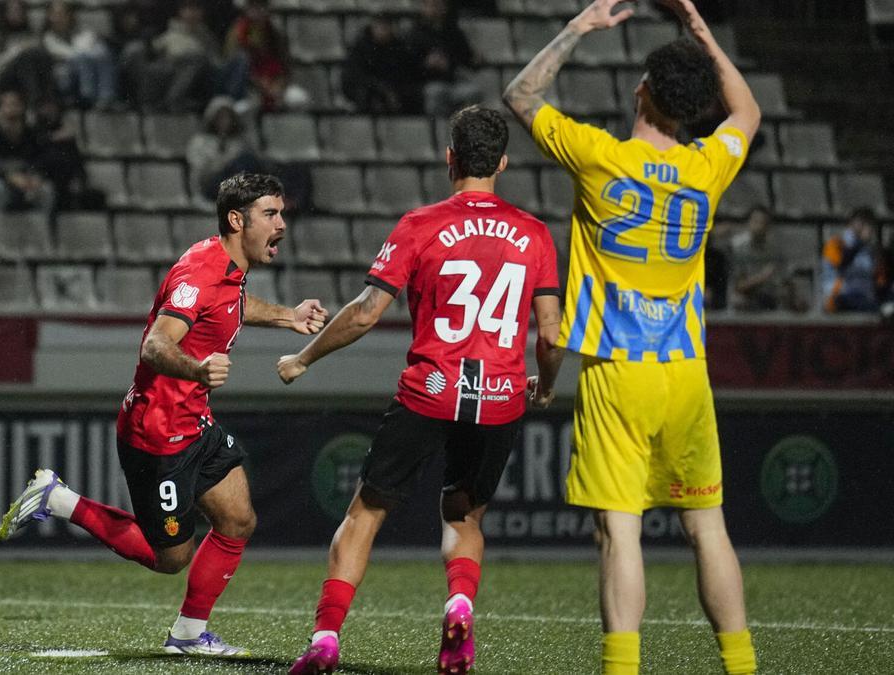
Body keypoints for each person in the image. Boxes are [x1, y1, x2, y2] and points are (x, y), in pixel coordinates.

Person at [502, 1, 760, 673]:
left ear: (642, 88)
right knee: (707, 527)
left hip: (618, 371)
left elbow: (521, 93)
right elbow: (750, 114)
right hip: (686, 372)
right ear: (696, 108)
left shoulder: (600, 158)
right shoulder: (709, 167)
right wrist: (701, 27)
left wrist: (580, 29)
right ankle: (743, 665)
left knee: (618, 529)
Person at [282, 105, 564, 675]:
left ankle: (326, 640)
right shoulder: (534, 234)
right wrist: (548, 385)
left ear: (449, 157)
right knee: (463, 518)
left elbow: (365, 314)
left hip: (429, 390)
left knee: (365, 513)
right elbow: (552, 334)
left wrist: (304, 357)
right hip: (500, 396)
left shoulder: (420, 224)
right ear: (504, 163)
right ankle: (458, 606)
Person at [0, 173, 329, 656]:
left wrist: (287, 316)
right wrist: (198, 369)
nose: (282, 224)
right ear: (237, 220)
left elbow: (231, 305)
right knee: (170, 558)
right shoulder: (201, 273)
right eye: (271, 214)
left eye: (281, 213)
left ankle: (189, 635)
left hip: (193, 422)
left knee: (237, 520)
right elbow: (155, 344)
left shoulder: (225, 266)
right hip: (157, 433)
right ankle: (60, 500)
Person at [0, 89, 55, 229]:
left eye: (16, 104)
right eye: (8, 105)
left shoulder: (31, 134)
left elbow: (41, 160)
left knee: (46, 190)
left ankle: (44, 237)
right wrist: (10, 177)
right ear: (0, 109)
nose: (12, 108)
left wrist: (36, 177)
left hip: (23, 181)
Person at [405, 0, 482, 117]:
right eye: (430, 5)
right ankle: (439, 129)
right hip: (426, 83)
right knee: (436, 93)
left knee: (473, 92)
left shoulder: (454, 32)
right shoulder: (414, 34)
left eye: (438, 5)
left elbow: (467, 59)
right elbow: (407, 65)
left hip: (452, 81)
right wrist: (426, 63)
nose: (435, 9)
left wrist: (475, 60)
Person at [42, 0, 118, 110]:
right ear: (49, 16)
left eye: (63, 14)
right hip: (64, 76)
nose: (59, 18)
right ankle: (88, 97)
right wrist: (83, 52)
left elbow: (93, 50)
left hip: (87, 68)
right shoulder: (47, 38)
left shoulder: (81, 33)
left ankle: (106, 97)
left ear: (70, 15)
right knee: (81, 58)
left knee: (102, 53)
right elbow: (69, 55)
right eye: (55, 14)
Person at [0, 0, 55, 107]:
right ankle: (35, 100)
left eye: (19, 11)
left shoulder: (31, 35)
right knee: (25, 58)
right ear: (4, 12)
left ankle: (41, 98)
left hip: (27, 79)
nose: (16, 14)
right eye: (12, 11)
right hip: (2, 78)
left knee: (39, 55)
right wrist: (17, 50)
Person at [341, 14, 418, 114]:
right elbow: (356, 75)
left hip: (394, 92)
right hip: (368, 92)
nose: (383, 30)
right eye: (379, 27)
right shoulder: (361, 47)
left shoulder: (399, 48)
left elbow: (404, 74)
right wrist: (381, 89)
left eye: (386, 27)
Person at [728, 206, 801, 311]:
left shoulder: (775, 250)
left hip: (771, 295)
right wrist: (762, 277)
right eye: (755, 221)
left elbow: (786, 280)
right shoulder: (738, 248)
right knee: (738, 301)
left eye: (763, 223)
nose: (759, 226)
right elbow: (738, 286)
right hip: (748, 295)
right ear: (749, 223)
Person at [822, 207, 886, 313]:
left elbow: (880, 279)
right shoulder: (835, 243)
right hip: (840, 297)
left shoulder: (872, 251)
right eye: (861, 222)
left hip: (866, 299)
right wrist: (859, 242)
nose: (867, 227)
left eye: (869, 223)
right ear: (851, 223)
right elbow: (841, 264)